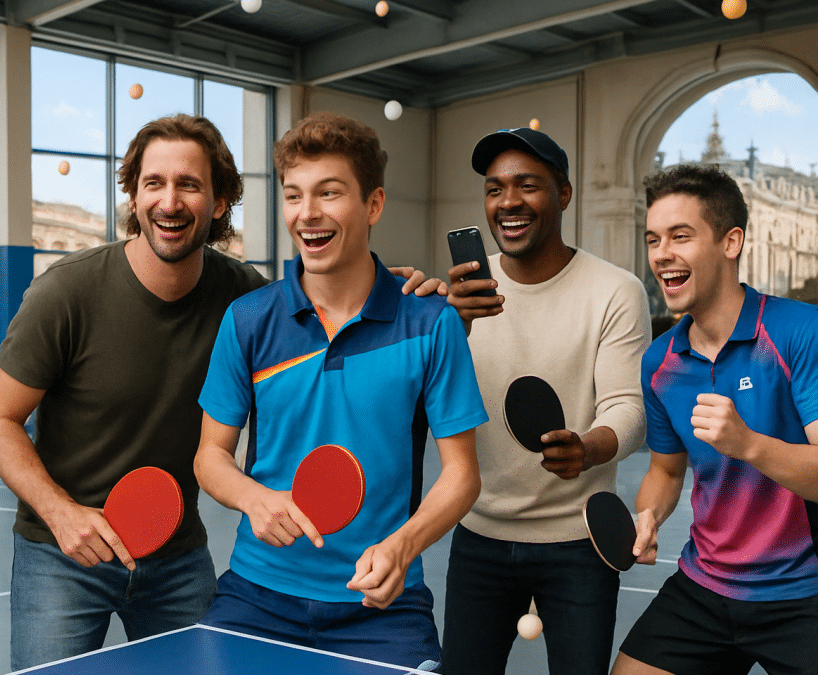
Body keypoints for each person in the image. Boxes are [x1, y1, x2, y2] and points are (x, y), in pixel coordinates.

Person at [0, 114, 438, 671]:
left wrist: (400, 290)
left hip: (175, 553)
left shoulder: (244, 297)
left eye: (189, 185)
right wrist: (62, 513)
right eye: (154, 183)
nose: (169, 201)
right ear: (134, 195)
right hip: (66, 551)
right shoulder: (65, 292)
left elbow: (325, 305)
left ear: (219, 203)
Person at [193, 111, 485, 669]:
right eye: (294, 195)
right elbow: (210, 457)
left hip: (381, 607)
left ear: (372, 205)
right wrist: (254, 498)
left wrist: (404, 545)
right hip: (257, 596)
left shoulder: (430, 323)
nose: (308, 214)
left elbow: (461, 474)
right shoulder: (248, 320)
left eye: (329, 193)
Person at [443, 127, 650, 675]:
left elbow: (628, 407)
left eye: (527, 185)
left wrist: (590, 446)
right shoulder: (461, 296)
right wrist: (448, 329)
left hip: (578, 544)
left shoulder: (614, 290)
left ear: (563, 194)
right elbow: (423, 403)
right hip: (478, 538)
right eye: (494, 189)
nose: (508, 201)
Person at [611, 164, 818, 675]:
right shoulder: (659, 362)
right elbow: (664, 470)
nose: (661, 254)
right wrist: (649, 515)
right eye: (653, 239)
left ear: (731, 242)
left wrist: (748, 443)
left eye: (681, 236)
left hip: (805, 593)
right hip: (705, 587)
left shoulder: (798, 332)